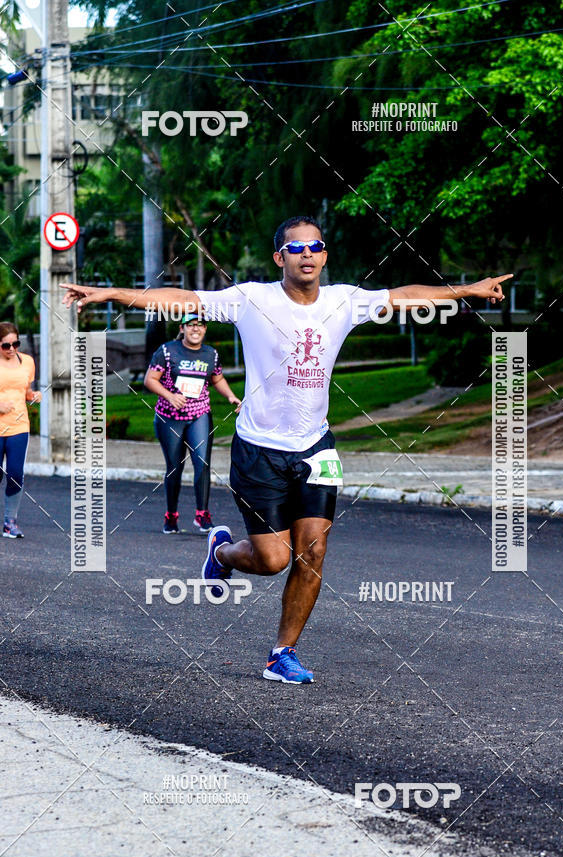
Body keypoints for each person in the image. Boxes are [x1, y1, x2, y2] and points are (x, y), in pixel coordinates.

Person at [62, 215, 511, 684]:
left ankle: (282, 653)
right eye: (296, 248)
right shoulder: (251, 300)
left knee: (312, 552)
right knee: (273, 560)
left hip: (316, 447)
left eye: (315, 246)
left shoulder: (343, 301)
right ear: (280, 258)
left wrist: (468, 290)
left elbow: (403, 296)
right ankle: (222, 553)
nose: (307, 254)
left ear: (325, 255)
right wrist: (111, 294)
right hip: (259, 451)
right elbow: (181, 299)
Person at [144, 311, 241, 534]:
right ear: (182, 328)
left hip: (199, 415)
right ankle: (171, 516)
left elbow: (217, 378)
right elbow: (150, 380)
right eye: (190, 324)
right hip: (170, 418)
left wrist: (230, 396)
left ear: (205, 329)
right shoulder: (167, 351)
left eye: (200, 325)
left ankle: (202, 515)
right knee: (175, 467)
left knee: (202, 464)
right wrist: (170, 396)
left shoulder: (210, 354)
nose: (195, 328)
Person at [0, 322, 42, 538]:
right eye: (6, 346)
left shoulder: (27, 362)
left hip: (19, 425)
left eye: (15, 344)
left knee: (15, 474)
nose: (11, 349)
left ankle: (10, 522)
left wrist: (33, 396)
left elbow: (25, 391)